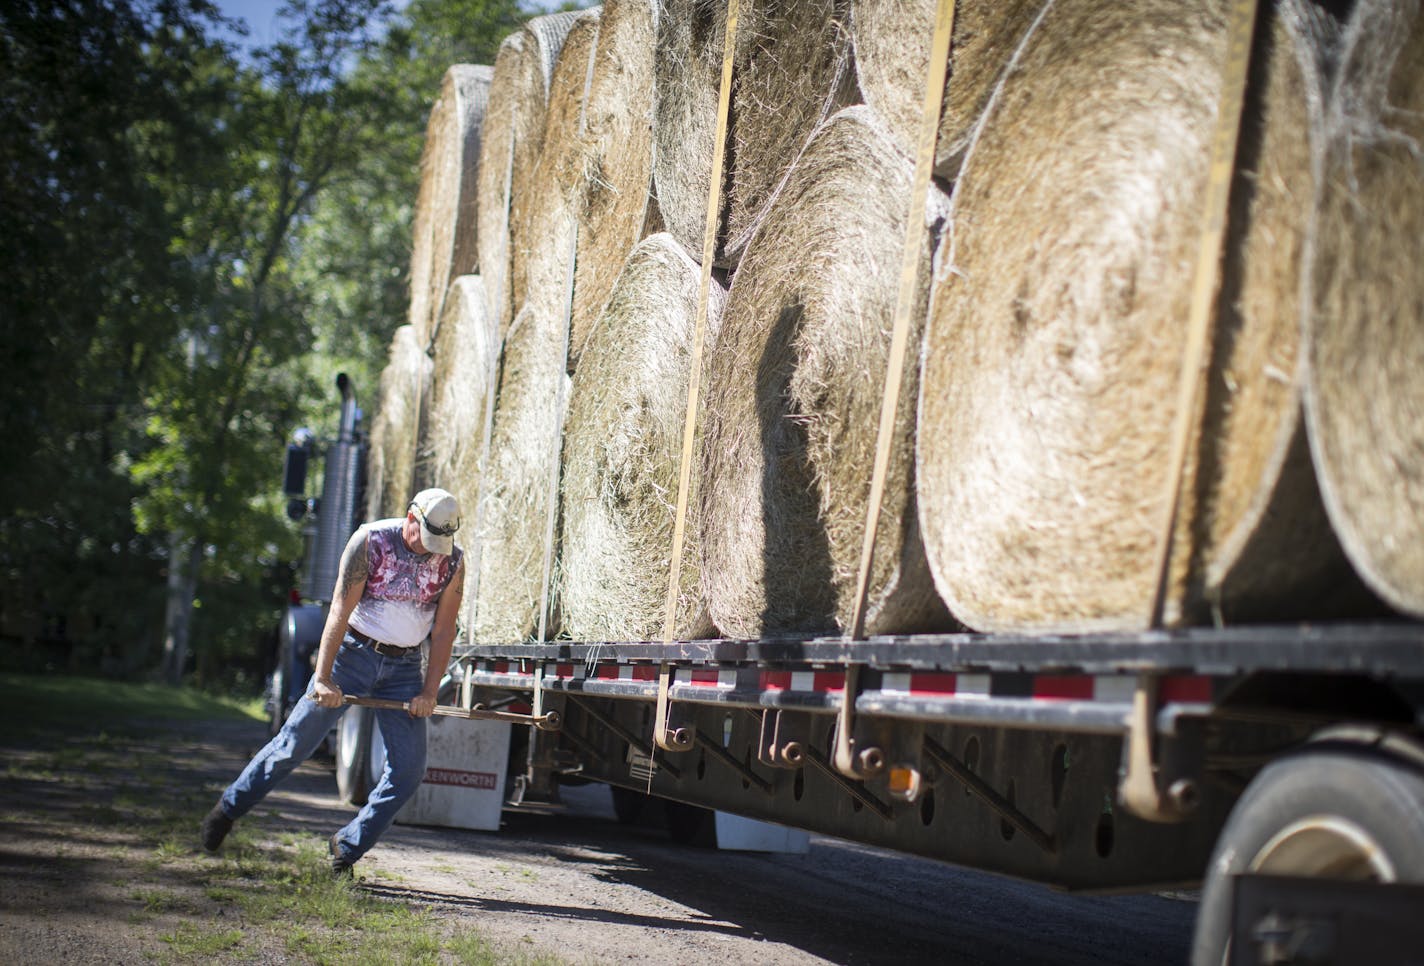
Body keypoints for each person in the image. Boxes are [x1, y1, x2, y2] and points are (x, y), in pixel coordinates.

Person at [200, 487, 465, 876]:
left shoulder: (453, 561)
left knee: (408, 772)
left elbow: (443, 633)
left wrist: (428, 691)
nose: (431, 550)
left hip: (404, 668)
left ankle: (346, 848)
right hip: (352, 656)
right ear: (411, 517)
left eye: (439, 542)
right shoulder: (371, 541)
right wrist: (323, 678)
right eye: (425, 538)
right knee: (293, 746)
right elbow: (339, 612)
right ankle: (228, 808)